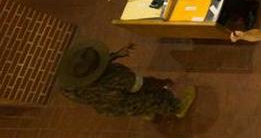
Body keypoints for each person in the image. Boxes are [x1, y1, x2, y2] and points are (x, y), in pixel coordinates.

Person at [57, 40, 195, 120]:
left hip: (108, 108)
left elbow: (92, 70)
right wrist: (163, 83)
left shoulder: (67, 86)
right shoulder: (117, 77)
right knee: (156, 99)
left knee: (137, 110)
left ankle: (147, 113)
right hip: (128, 100)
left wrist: (116, 55)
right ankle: (177, 108)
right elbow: (142, 85)